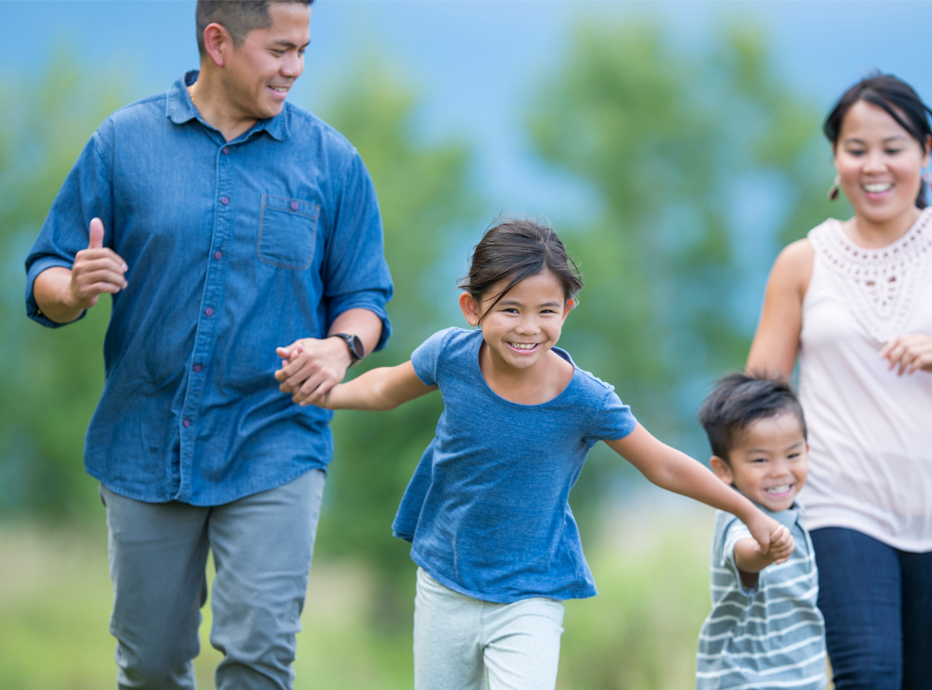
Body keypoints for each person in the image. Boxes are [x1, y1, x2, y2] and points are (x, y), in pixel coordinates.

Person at [23, 1, 393, 687]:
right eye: (280, 49)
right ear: (218, 41)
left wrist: (342, 348)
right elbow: (44, 268)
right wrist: (71, 289)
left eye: (304, 49)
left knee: (260, 654)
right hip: (144, 439)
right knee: (152, 664)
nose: (296, 69)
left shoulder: (331, 161)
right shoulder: (123, 142)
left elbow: (365, 296)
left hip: (275, 439)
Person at [312, 218, 786, 690]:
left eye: (546, 311)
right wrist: (326, 393)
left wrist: (749, 512)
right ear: (471, 308)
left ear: (567, 310)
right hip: (444, 581)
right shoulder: (451, 357)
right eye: (510, 309)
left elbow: (662, 463)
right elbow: (385, 389)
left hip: (530, 594)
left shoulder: (586, 400)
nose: (528, 328)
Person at [747, 73, 932, 690]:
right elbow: (759, 396)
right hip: (841, 504)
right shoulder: (804, 262)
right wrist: (754, 508)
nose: (874, 166)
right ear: (836, 159)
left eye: (893, 147)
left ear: (925, 154)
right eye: (857, 149)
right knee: (869, 675)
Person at [695, 373, 827, 690]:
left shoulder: (793, 513)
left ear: (807, 450)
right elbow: (744, 554)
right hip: (748, 679)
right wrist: (764, 552)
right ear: (723, 469)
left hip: (801, 678)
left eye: (793, 455)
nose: (780, 471)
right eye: (760, 460)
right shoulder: (738, 514)